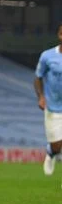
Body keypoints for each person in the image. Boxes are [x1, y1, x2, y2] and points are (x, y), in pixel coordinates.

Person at [35, 24, 62, 177]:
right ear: (60, 35)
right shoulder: (47, 56)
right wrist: (41, 96)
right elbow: (38, 77)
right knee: (57, 146)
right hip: (53, 107)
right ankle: (51, 152)